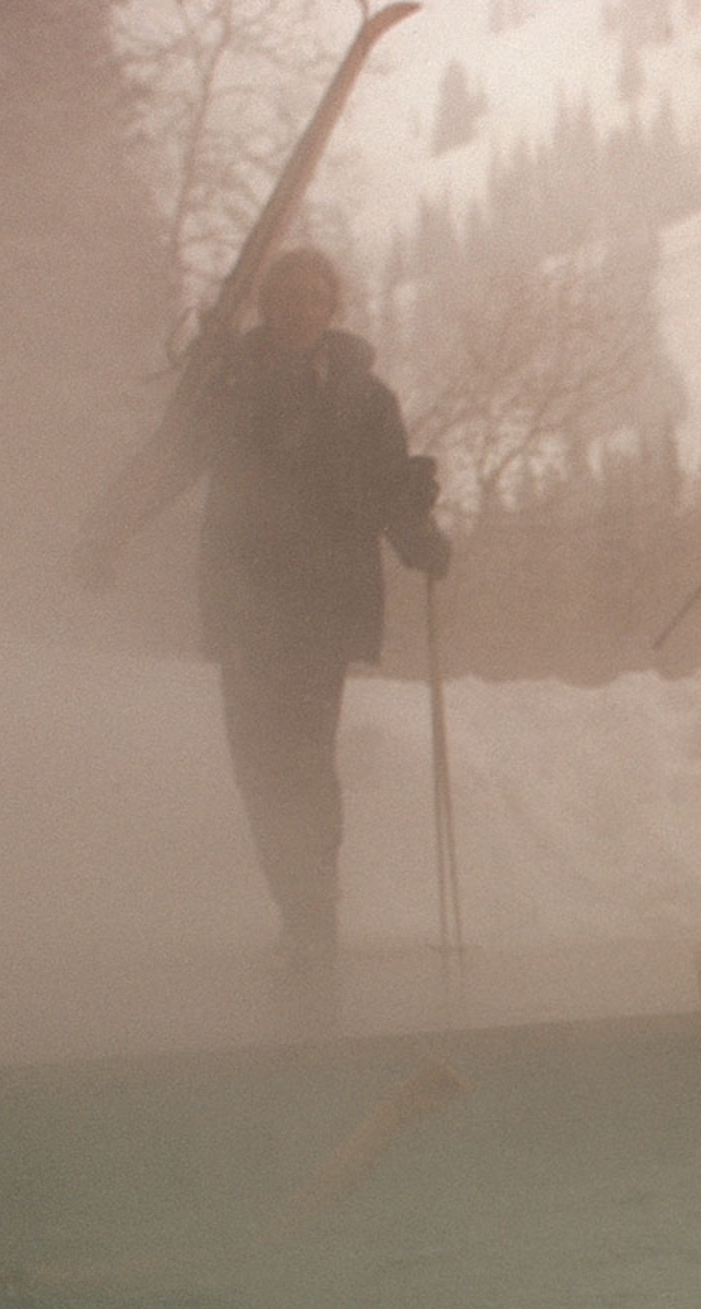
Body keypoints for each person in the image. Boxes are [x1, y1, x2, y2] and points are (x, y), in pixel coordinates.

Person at [79, 246, 452, 974]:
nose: (302, 309)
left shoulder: (364, 396)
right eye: (289, 296)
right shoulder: (228, 386)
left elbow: (383, 487)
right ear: (267, 306)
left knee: (304, 761)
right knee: (257, 765)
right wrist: (109, 528)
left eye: (316, 297)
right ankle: (299, 908)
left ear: (332, 309)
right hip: (247, 601)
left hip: (324, 603)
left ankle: (315, 911)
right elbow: (170, 463)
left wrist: (421, 539)